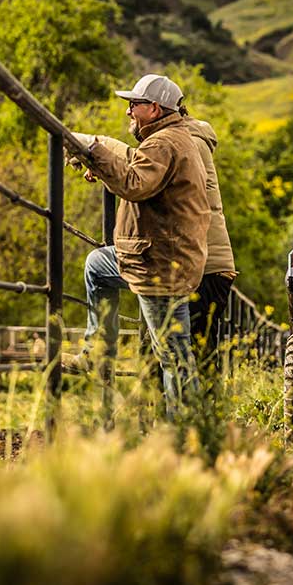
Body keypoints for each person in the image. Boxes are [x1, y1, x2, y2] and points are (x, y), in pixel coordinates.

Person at [69, 74, 210, 411]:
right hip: (154, 256)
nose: (129, 111)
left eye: (134, 105)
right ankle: (96, 351)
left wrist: (92, 151)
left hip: (160, 266)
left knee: (174, 358)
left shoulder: (163, 143)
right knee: (97, 265)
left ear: (155, 109)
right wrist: (101, 166)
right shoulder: (169, 139)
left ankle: (187, 438)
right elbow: (140, 173)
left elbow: (134, 183)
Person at [179, 107, 236, 358]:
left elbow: (145, 177)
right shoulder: (194, 140)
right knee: (200, 351)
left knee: (194, 353)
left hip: (204, 266)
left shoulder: (188, 143)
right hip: (210, 265)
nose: (129, 112)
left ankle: (197, 398)